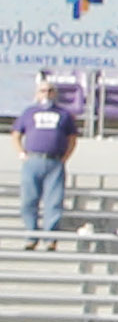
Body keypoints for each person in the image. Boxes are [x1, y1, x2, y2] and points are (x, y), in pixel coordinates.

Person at [15, 74, 73, 243]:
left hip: (55, 161)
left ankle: (50, 238)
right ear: (37, 93)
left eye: (50, 91)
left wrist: (65, 158)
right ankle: (31, 236)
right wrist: (21, 153)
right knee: (28, 200)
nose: (46, 94)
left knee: (53, 202)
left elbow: (72, 138)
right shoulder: (29, 112)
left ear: (54, 94)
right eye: (43, 91)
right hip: (32, 160)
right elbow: (16, 134)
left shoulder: (64, 114)